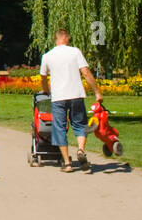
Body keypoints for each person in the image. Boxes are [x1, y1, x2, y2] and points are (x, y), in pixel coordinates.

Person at [40, 28, 103, 172]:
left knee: (60, 128)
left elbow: (43, 77)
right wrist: (97, 92)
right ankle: (80, 150)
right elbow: (86, 72)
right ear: (65, 37)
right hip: (76, 95)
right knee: (80, 124)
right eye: (68, 37)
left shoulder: (47, 56)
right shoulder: (75, 52)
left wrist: (45, 90)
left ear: (56, 39)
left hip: (58, 97)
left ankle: (67, 163)